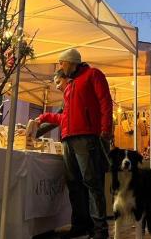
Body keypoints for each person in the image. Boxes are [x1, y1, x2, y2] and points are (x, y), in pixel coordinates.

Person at [36, 48, 113, 239]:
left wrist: (106, 129)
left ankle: (99, 229)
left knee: (91, 182)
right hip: (68, 139)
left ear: (71, 61)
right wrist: (43, 118)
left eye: (61, 62)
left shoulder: (93, 75)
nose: (60, 66)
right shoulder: (70, 86)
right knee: (74, 184)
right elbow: (65, 116)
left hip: (86, 137)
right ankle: (80, 225)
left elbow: (105, 101)